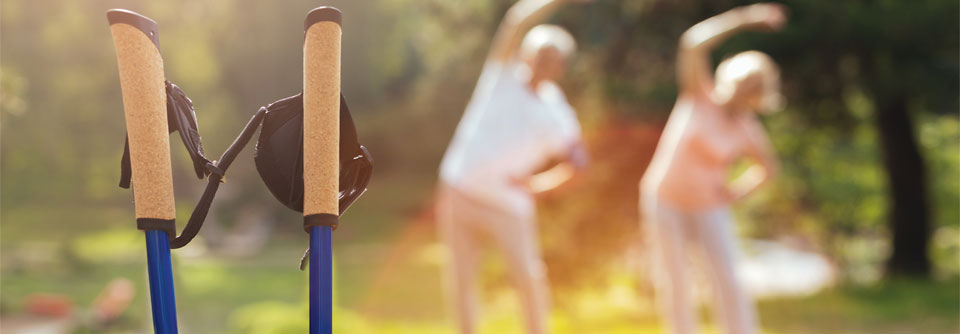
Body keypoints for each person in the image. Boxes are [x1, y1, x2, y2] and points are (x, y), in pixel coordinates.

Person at [436, 0, 590, 333]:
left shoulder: (559, 113)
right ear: (525, 55)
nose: (544, 64)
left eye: (553, 59)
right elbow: (516, 19)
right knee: (462, 282)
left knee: (528, 280)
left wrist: (537, 186)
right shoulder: (501, 76)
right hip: (459, 189)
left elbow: (578, 166)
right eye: (540, 55)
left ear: (562, 66)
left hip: (508, 206)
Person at [638, 3, 787, 334]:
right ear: (731, 78)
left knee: (728, 278)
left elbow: (768, 169)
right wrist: (745, 19)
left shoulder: (748, 128)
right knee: (676, 282)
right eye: (744, 82)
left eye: (755, 87)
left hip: (709, 206)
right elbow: (692, 42)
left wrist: (735, 191)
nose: (746, 91)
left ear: (760, 95)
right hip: (665, 199)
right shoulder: (698, 95)